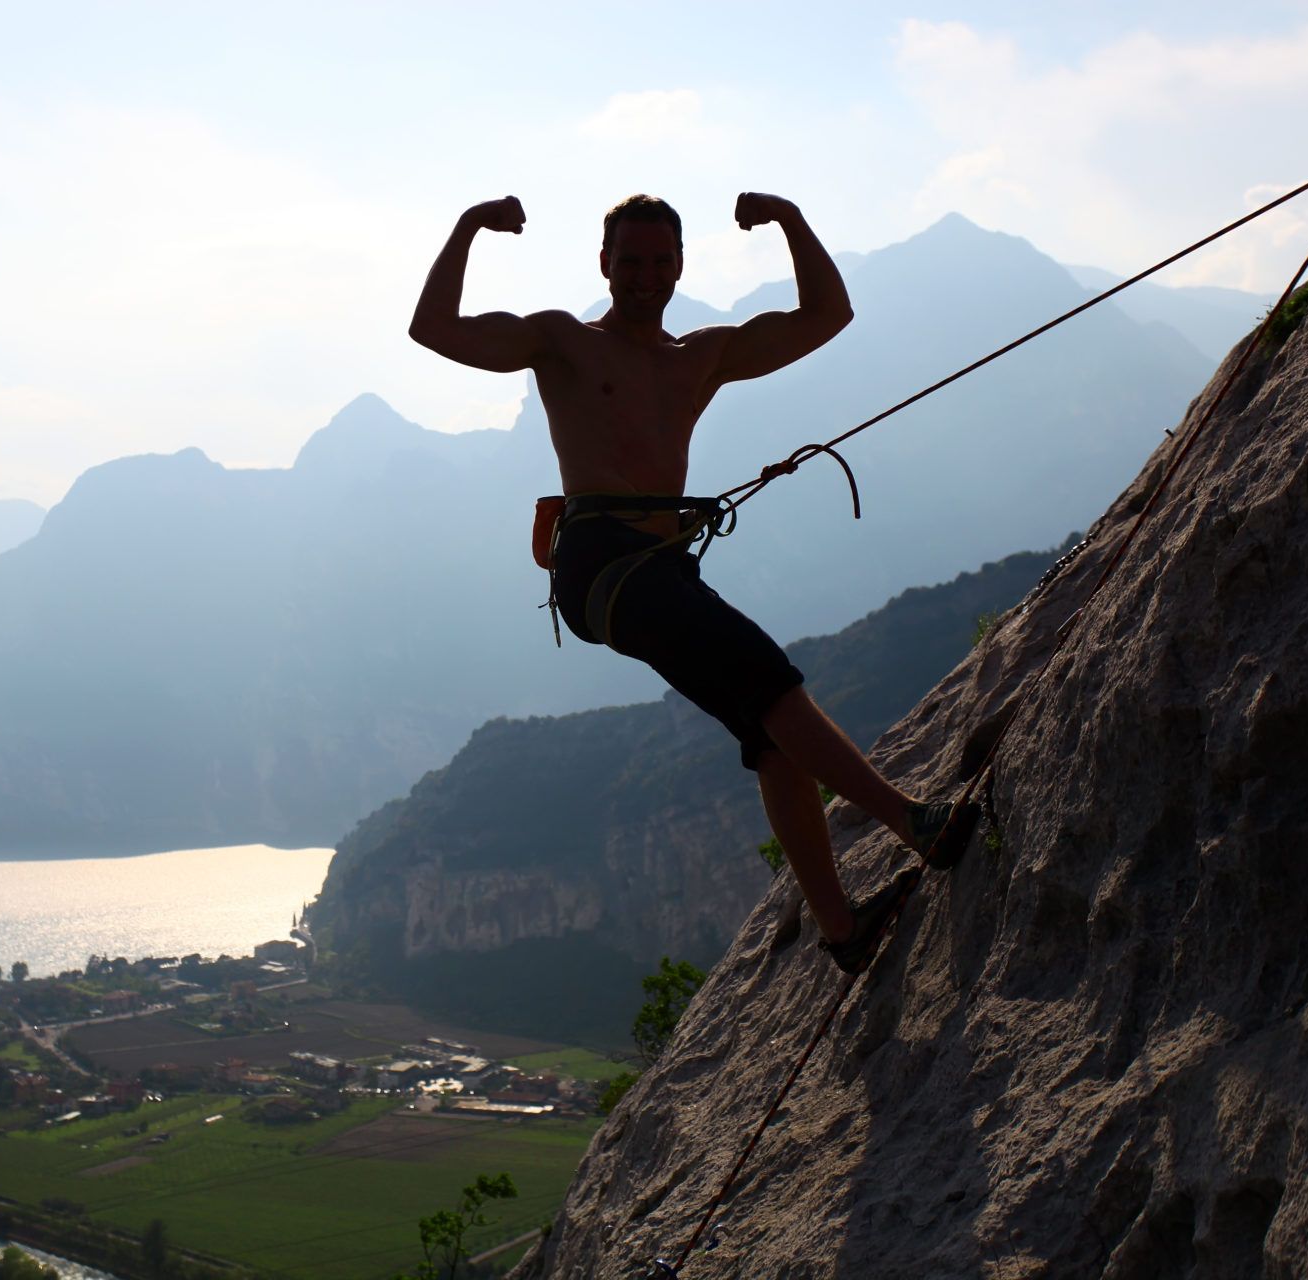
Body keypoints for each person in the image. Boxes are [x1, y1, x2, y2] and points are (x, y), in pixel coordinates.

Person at [408, 192, 977, 974]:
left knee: (772, 738)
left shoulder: (698, 357)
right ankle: (916, 823)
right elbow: (433, 330)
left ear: (680, 266)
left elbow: (825, 315)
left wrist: (789, 219)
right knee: (771, 680)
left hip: (662, 567)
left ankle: (843, 932)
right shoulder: (563, 341)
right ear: (604, 266)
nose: (645, 277)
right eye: (630, 261)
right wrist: (468, 226)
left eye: (660, 262)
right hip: (601, 564)